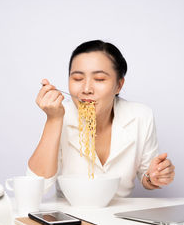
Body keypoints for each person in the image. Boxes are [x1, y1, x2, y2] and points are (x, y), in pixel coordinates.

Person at [27, 40, 175, 197]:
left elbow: (147, 177)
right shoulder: (60, 114)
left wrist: (155, 176)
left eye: (99, 79)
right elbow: (35, 187)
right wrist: (53, 119)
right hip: (73, 216)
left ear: (119, 85)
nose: (86, 89)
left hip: (121, 215)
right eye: (77, 78)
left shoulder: (141, 116)